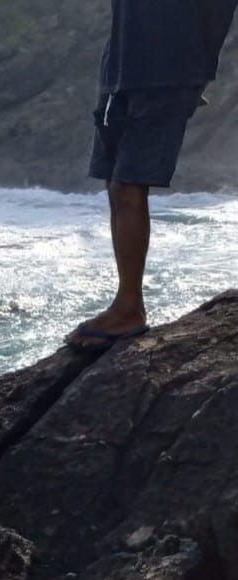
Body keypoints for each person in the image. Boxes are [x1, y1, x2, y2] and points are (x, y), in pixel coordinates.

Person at [66, 0, 238, 349]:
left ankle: (130, 306)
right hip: (121, 64)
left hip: (166, 70)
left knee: (127, 185)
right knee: (116, 186)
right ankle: (125, 301)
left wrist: (198, 64)